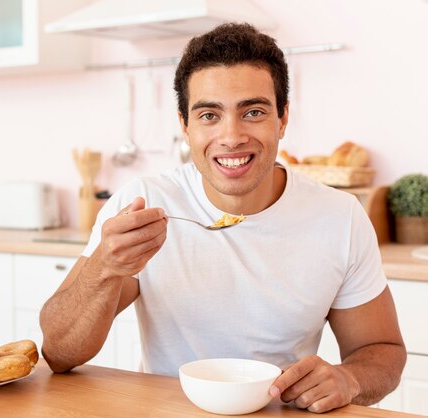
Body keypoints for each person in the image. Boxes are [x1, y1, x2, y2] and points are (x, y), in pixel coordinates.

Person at [39, 23, 406, 413]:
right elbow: (59, 353)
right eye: (209, 115)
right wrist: (104, 268)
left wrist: (348, 379)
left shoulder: (340, 217)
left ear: (282, 119)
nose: (231, 137)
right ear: (185, 125)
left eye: (252, 111)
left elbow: (381, 351)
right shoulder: (142, 205)